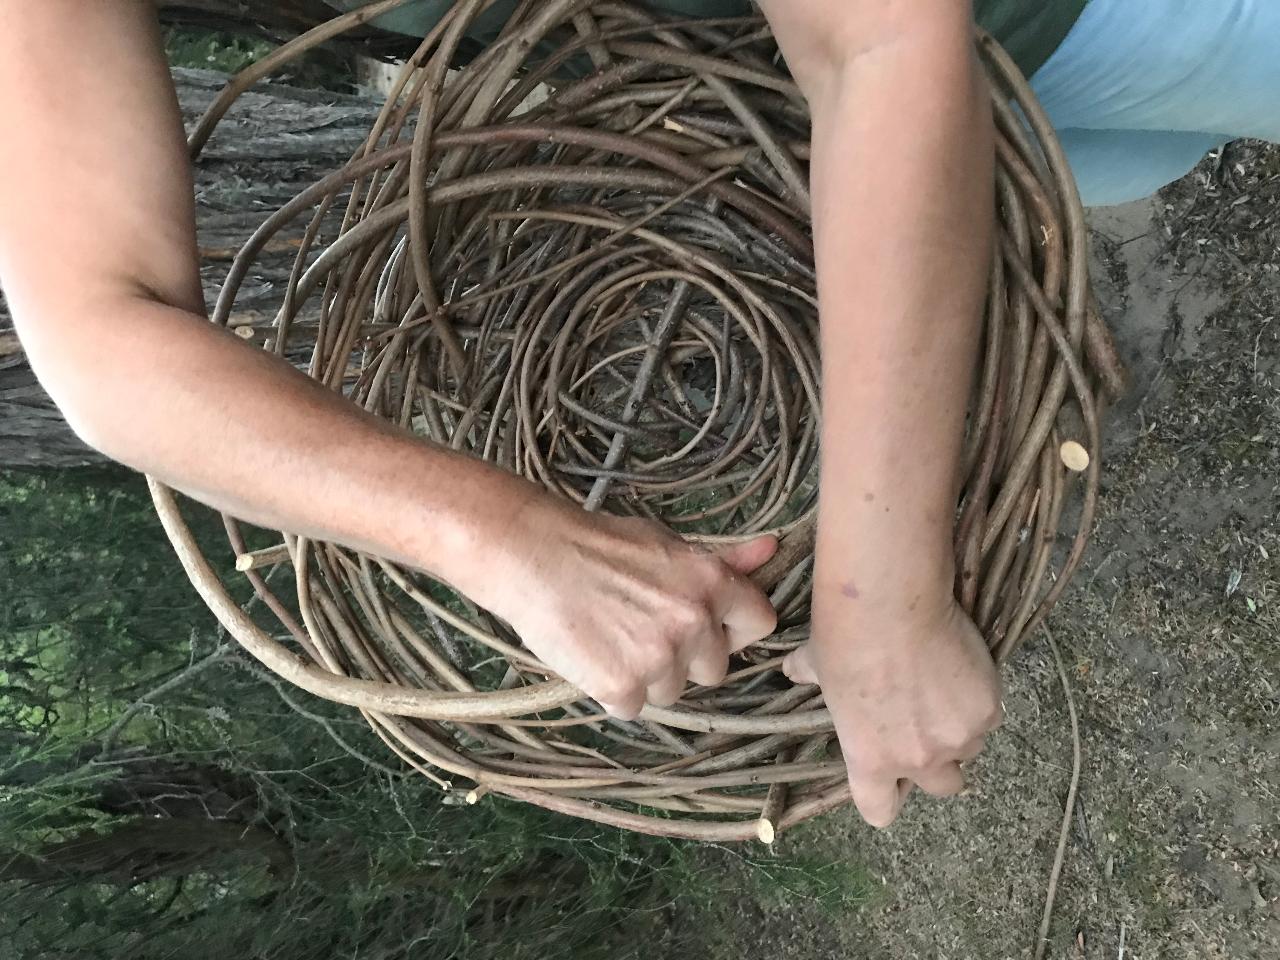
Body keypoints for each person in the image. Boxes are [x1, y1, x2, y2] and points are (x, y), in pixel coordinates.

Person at [0, 1, 1274, 831]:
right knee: (1143, 141)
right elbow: (94, 330)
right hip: (917, 113)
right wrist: (496, 536)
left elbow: (877, 34)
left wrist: (880, 596)